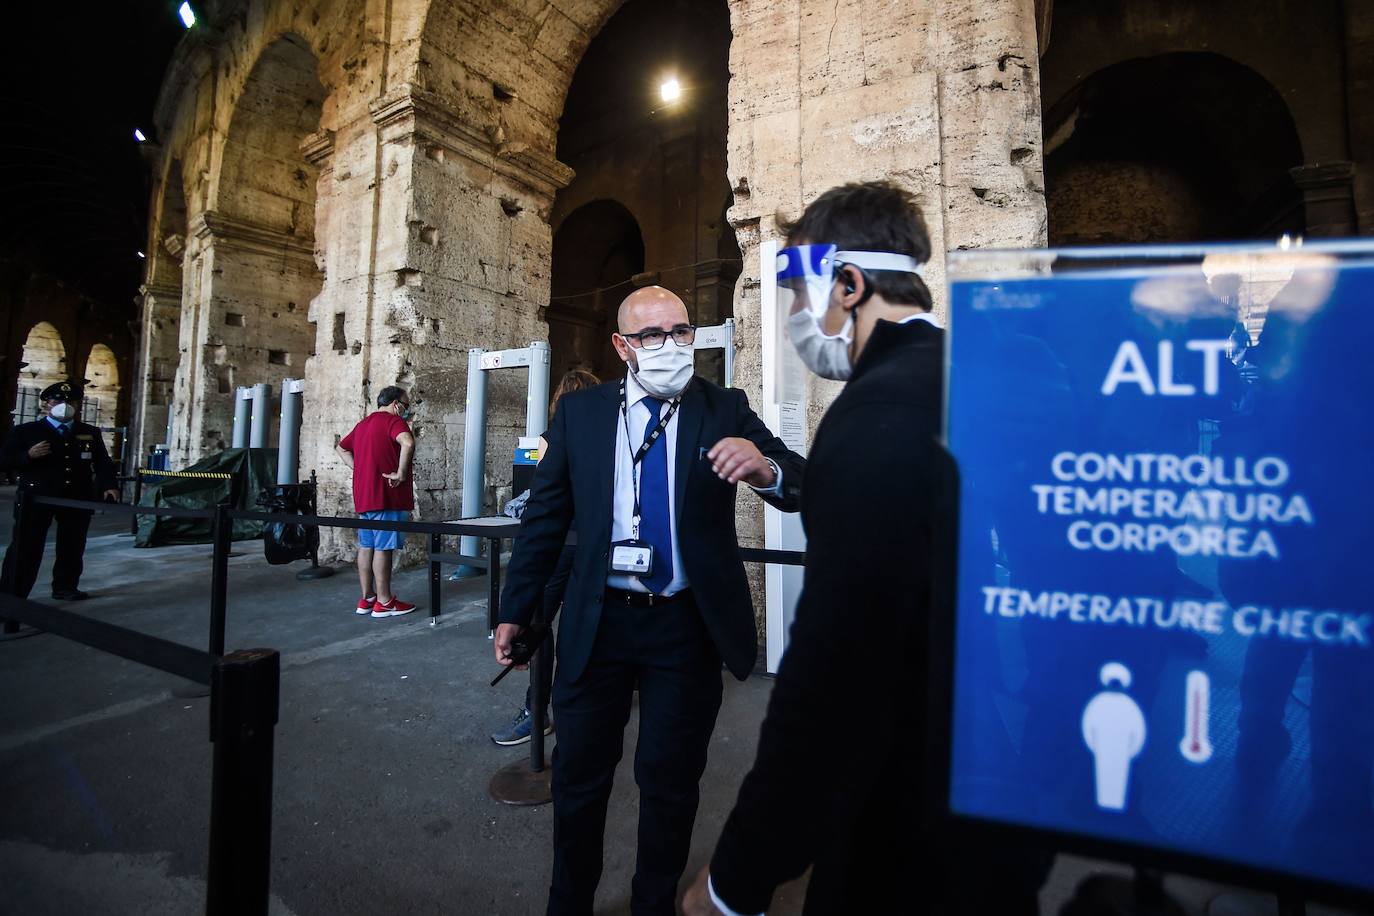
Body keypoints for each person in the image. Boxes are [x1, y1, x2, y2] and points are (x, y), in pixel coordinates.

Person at [682, 180, 1047, 915]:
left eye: (797, 294)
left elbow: (832, 683)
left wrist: (734, 881)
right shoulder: (968, 375)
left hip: (911, 813)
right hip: (995, 776)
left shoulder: (875, 412)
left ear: (847, 284)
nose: (793, 317)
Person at [496, 285, 805, 915]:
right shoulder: (581, 417)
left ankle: (653, 902)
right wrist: (515, 608)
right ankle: (568, 903)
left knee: (670, 783)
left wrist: (766, 468)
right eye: (651, 336)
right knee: (580, 780)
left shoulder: (724, 408)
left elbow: (798, 480)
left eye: (681, 331)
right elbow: (546, 522)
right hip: (598, 623)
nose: (670, 346)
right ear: (622, 346)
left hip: (684, 628)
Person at [490, 367, 600, 747]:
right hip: (593, 545)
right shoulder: (609, 437)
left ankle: (536, 712)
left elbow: (545, 497)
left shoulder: (550, 439)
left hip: (562, 545)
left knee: (539, 624)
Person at [0, 380, 119, 601]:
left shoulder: (89, 432)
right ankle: (11, 595)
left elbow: (102, 462)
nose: (64, 404)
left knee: (72, 545)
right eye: (57, 400)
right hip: (37, 497)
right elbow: (4, 461)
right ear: (46, 404)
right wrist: (28, 456)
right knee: (26, 546)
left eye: (70, 401)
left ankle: (65, 586)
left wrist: (110, 485)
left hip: (76, 495)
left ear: (78, 405)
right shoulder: (26, 431)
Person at [337, 385, 417, 618]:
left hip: (364, 496)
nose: (406, 411)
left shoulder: (363, 425)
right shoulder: (394, 422)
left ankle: (367, 598)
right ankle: (385, 601)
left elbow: (341, 448)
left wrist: (360, 469)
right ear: (395, 404)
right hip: (387, 495)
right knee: (383, 548)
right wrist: (401, 473)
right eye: (406, 406)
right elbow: (408, 443)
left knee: (366, 546)